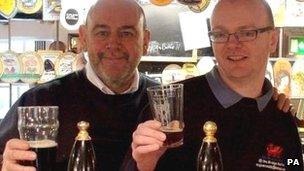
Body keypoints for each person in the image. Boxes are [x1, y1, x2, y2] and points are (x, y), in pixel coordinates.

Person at [127, 0, 303, 170]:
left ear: (272, 40)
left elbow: (293, 164)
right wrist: (144, 166)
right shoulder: (169, 107)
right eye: (220, 34)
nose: (232, 44)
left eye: (247, 33)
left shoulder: (281, 117)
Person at [0, 0, 157, 170]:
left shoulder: (165, 104)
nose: (113, 44)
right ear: (83, 38)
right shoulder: (39, 100)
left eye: (126, 33)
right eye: (102, 33)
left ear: (146, 41)